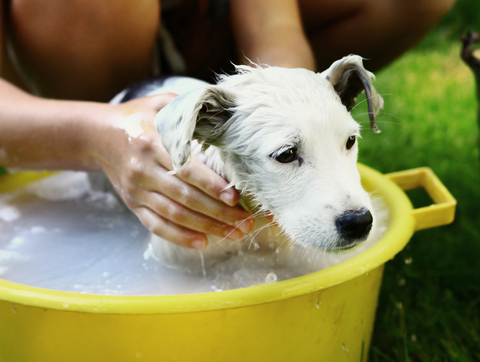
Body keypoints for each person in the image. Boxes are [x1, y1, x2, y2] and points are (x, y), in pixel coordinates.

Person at [0, 0, 455, 249]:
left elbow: (274, 31)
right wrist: (95, 136)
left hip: (206, 53)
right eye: (286, 155)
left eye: (350, 141)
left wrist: (281, 113)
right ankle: (82, 125)